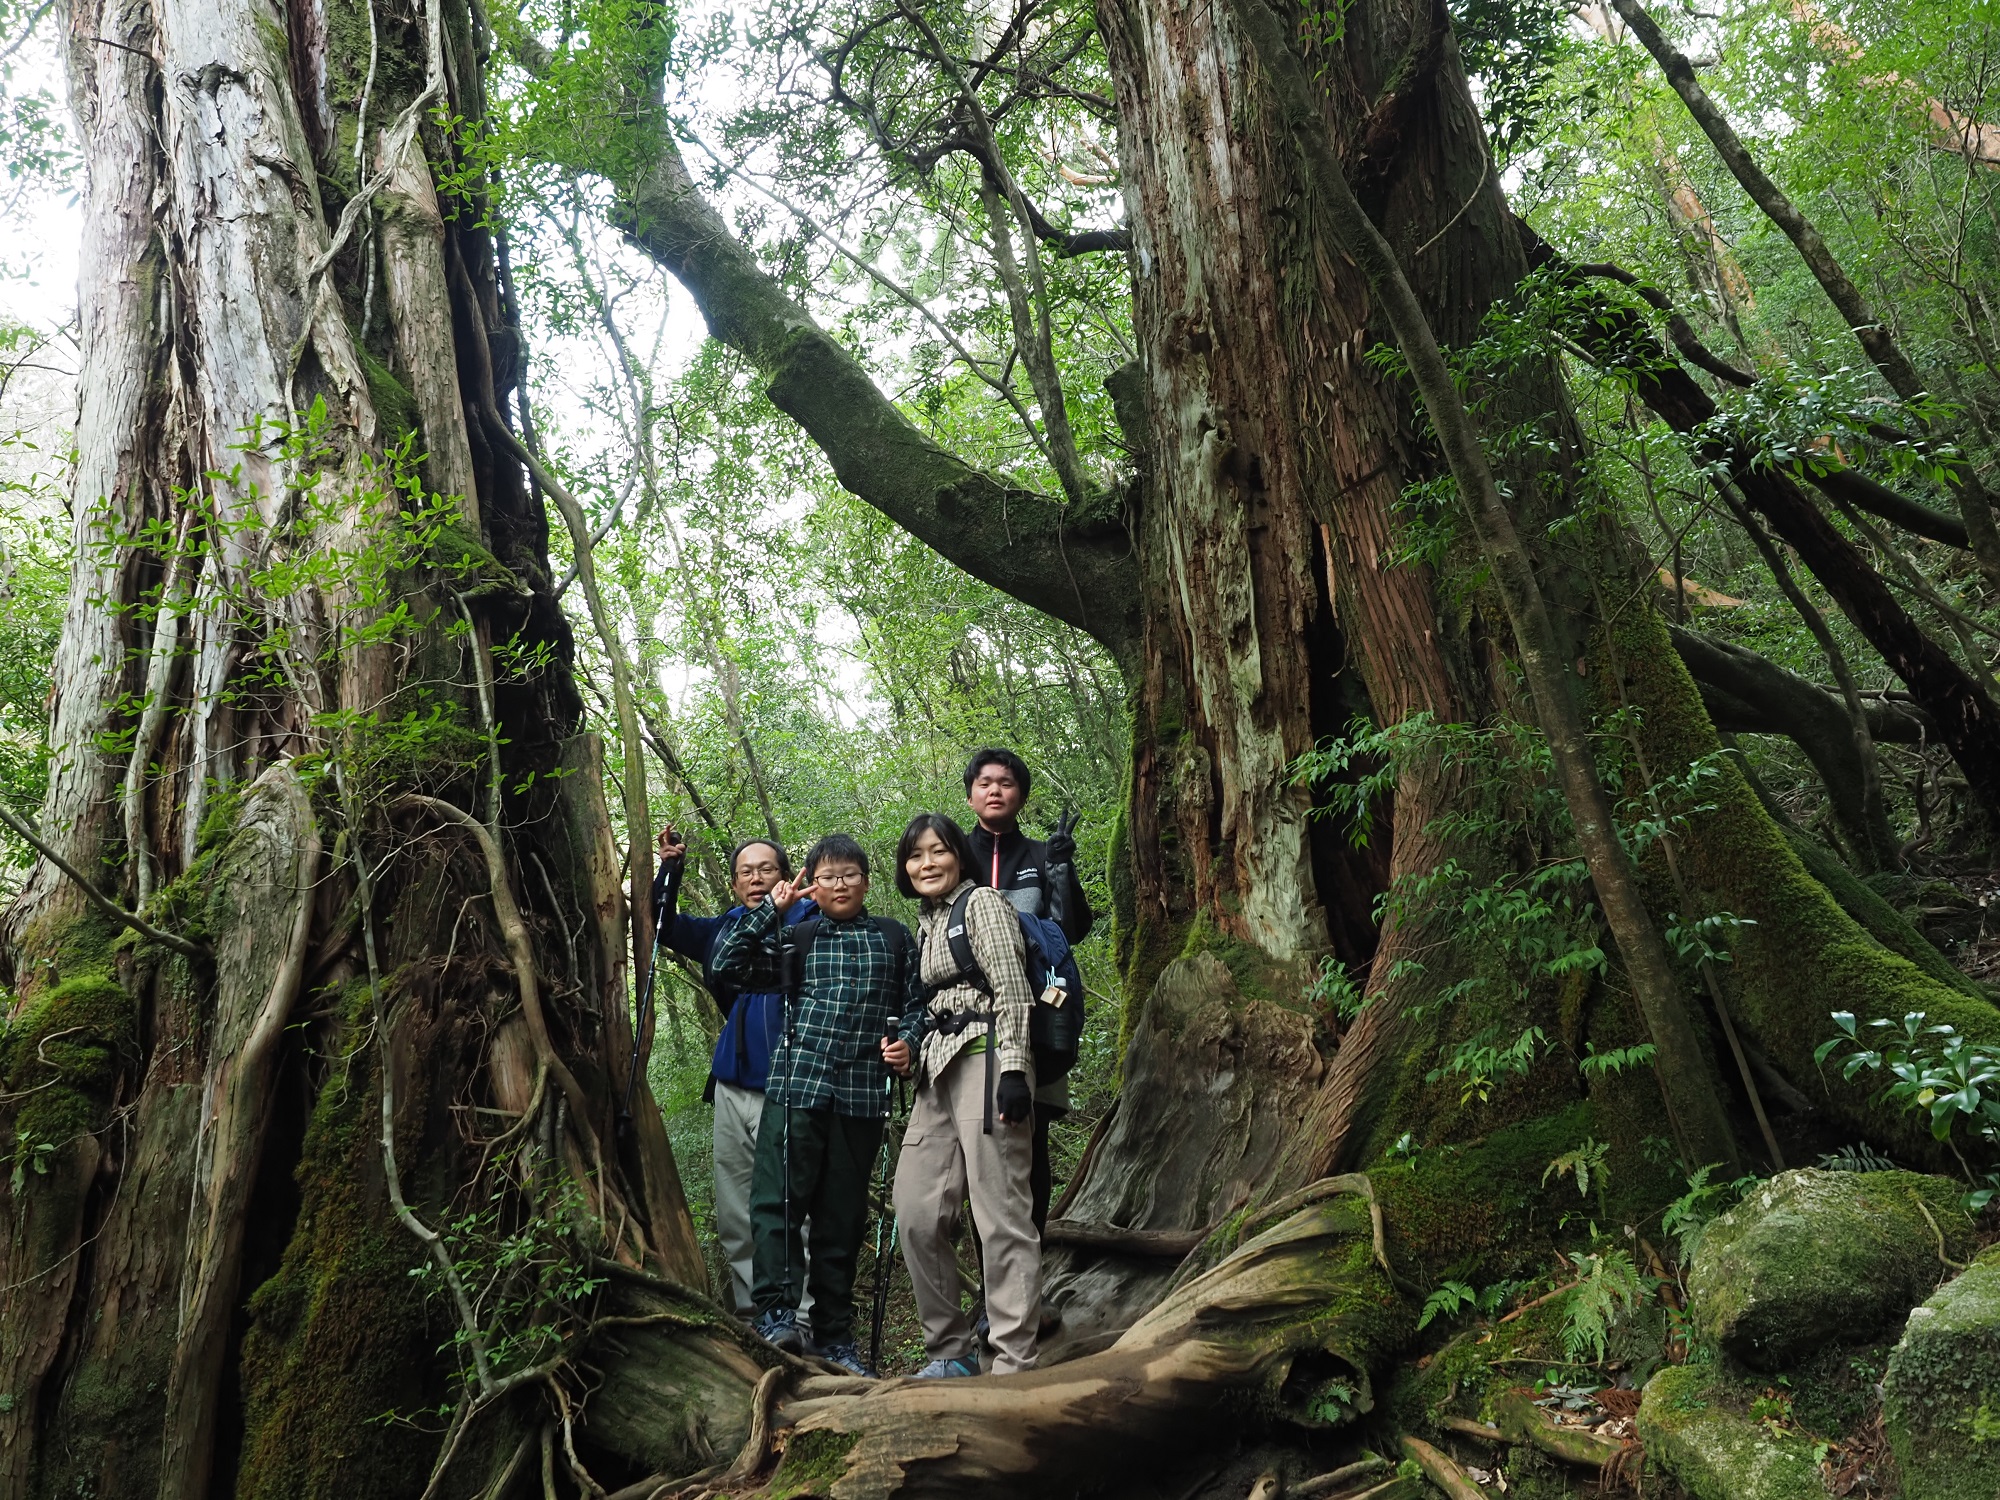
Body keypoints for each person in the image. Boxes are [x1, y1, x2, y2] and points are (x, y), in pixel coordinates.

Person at [712, 833, 916, 1377]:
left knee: (841, 1220)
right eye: (827, 877)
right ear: (812, 886)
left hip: (862, 1096)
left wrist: (910, 1041)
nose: (839, 884)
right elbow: (726, 966)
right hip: (795, 1087)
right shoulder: (795, 938)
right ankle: (775, 1316)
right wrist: (771, 912)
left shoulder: (894, 939)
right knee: (777, 1204)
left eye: (850, 874)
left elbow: (918, 1003)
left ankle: (833, 1336)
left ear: (867, 881)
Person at [882, 813, 1041, 1378]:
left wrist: (1016, 1071)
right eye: (916, 855)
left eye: (939, 851)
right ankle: (949, 1353)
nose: (928, 863)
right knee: (917, 1211)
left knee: (1000, 1212)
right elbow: (925, 1007)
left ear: (958, 857)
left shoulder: (983, 905)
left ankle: (1015, 1359)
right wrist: (906, 1051)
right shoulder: (925, 925)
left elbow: (1013, 989)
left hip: (986, 1057)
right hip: (935, 1071)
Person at [649, 826, 814, 1321]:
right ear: (735, 883)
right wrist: (670, 869)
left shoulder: (809, 919)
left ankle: (803, 1316)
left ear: (786, 876)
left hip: (789, 1081)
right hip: (730, 1081)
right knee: (734, 1209)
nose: (756, 878)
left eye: (767, 868)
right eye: (746, 871)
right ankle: (754, 1316)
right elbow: (663, 925)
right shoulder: (723, 928)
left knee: (787, 1205)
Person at [962, 747, 1091, 1232]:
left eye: (1007, 783)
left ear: (1021, 795)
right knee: (976, 1149)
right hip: (972, 1017)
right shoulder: (953, 856)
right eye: (985, 783)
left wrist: (1061, 869)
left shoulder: (1042, 853)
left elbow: (1071, 930)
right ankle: (992, 1296)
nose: (995, 790)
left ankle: (1029, 1276)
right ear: (971, 795)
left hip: (1038, 1015)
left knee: (1032, 1141)